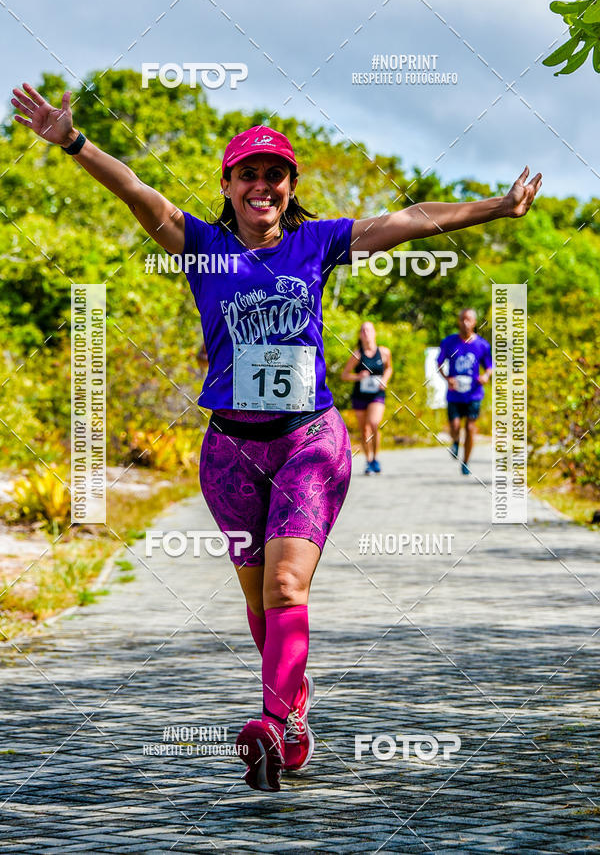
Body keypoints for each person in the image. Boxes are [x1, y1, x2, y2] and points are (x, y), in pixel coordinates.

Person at [11, 81, 542, 792]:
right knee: (262, 606)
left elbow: (412, 219)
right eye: (248, 173)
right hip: (229, 453)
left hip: (308, 442)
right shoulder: (199, 246)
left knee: (288, 585)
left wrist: (496, 208)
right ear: (227, 185)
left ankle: (269, 721)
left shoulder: (318, 242)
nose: (262, 184)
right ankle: (293, 715)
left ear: (290, 187)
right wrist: (73, 142)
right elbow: (136, 191)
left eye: (275, 173)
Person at [437, 308, 493, 475]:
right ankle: (455, 441)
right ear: (458, 321)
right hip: (455, 393)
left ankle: (466, 461)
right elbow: (439, 363)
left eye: (468, 320)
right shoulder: (449, 343)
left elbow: (489, 366)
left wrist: (486, 376)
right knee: (454, 426)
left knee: (470, 427)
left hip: (474, 393)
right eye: (462, 319)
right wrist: (447, 379)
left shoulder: (482, 345)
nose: (465, 323)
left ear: (474, 322)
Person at [341, 322, 392, 474]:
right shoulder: (357, 355)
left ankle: (376, 458)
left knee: (374, 423)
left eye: (368, 330)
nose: (366, 333)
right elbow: (344, 375)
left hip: (377, 394)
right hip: (360, 395)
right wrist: (358, 376)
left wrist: (385, 380)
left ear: (374, 333)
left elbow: (389, 367)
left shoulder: (383, 352)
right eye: (363, 330)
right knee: (364, 430)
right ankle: (369, 460)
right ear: (360, 335)